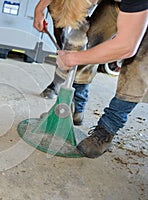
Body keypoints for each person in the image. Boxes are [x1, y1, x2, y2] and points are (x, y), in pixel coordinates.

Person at [34, 0, 148, 158]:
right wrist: (39, 9)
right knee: (87, 38)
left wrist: (73, 59)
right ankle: (75, 107)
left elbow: (126, 46)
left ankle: (107, 129)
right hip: (123, 4)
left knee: (138, 64)